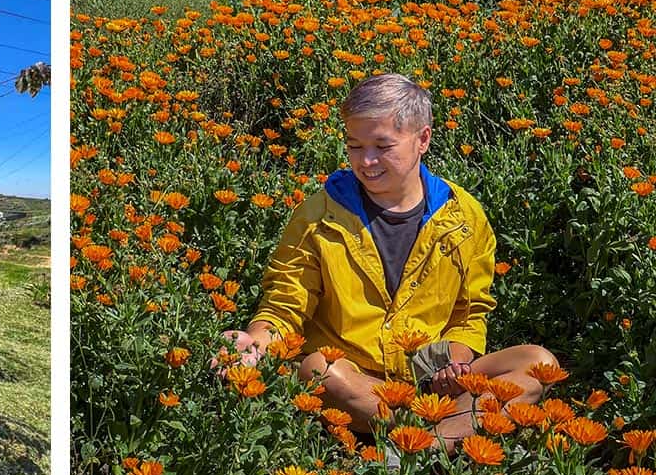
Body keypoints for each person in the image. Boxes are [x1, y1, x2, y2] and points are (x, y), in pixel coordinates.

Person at [221, 73, 559, 453]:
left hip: (430, 378)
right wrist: (256, 340)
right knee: (318, 368)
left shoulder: (464, 217)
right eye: (354, 145)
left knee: (538, 363)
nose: (366, 161)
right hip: (356, 378)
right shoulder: (317, 217)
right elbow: (286, 302)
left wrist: (457, 361)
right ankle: (447, 435)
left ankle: (425, 443)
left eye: (382, 146)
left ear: (423, 139)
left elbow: (471, 310)